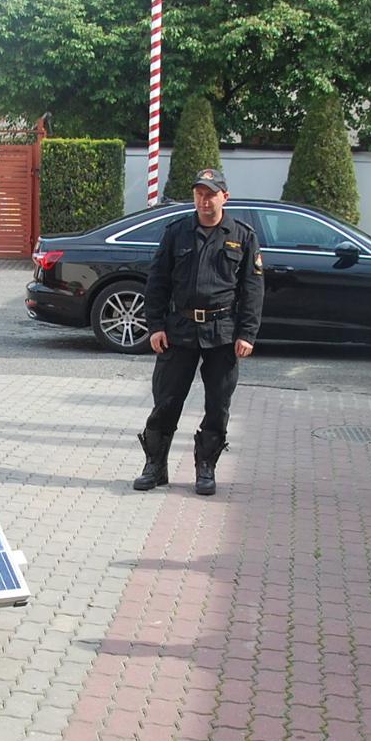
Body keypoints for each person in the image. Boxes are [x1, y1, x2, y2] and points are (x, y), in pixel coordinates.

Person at [131, 168, 263, 496]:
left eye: (211, 193)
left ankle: (206, 467)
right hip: (180, 330)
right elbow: (157, 281)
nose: (204, 200)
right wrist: (156, 326)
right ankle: (154, 466)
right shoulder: (177, 232)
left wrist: (247, 332)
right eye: (199, 194)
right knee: (166, 401)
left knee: (218, 404)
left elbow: (253, 287)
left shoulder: (242, 235)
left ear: (224, 197)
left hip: (223, 332)